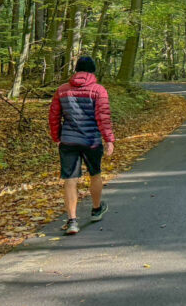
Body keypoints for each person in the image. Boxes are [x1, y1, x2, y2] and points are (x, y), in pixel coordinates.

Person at [49, 56, 115, 235]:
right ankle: (96, 209)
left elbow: (54, 116)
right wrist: (109, 139)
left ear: (76, 70)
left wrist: (57, 136)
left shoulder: (62, 90)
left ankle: (72, 220)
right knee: (95, 174)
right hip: (91, 141)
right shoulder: (98, 90)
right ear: (92, 71)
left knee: (70, 179)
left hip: (68, 141)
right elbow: (103, 117)